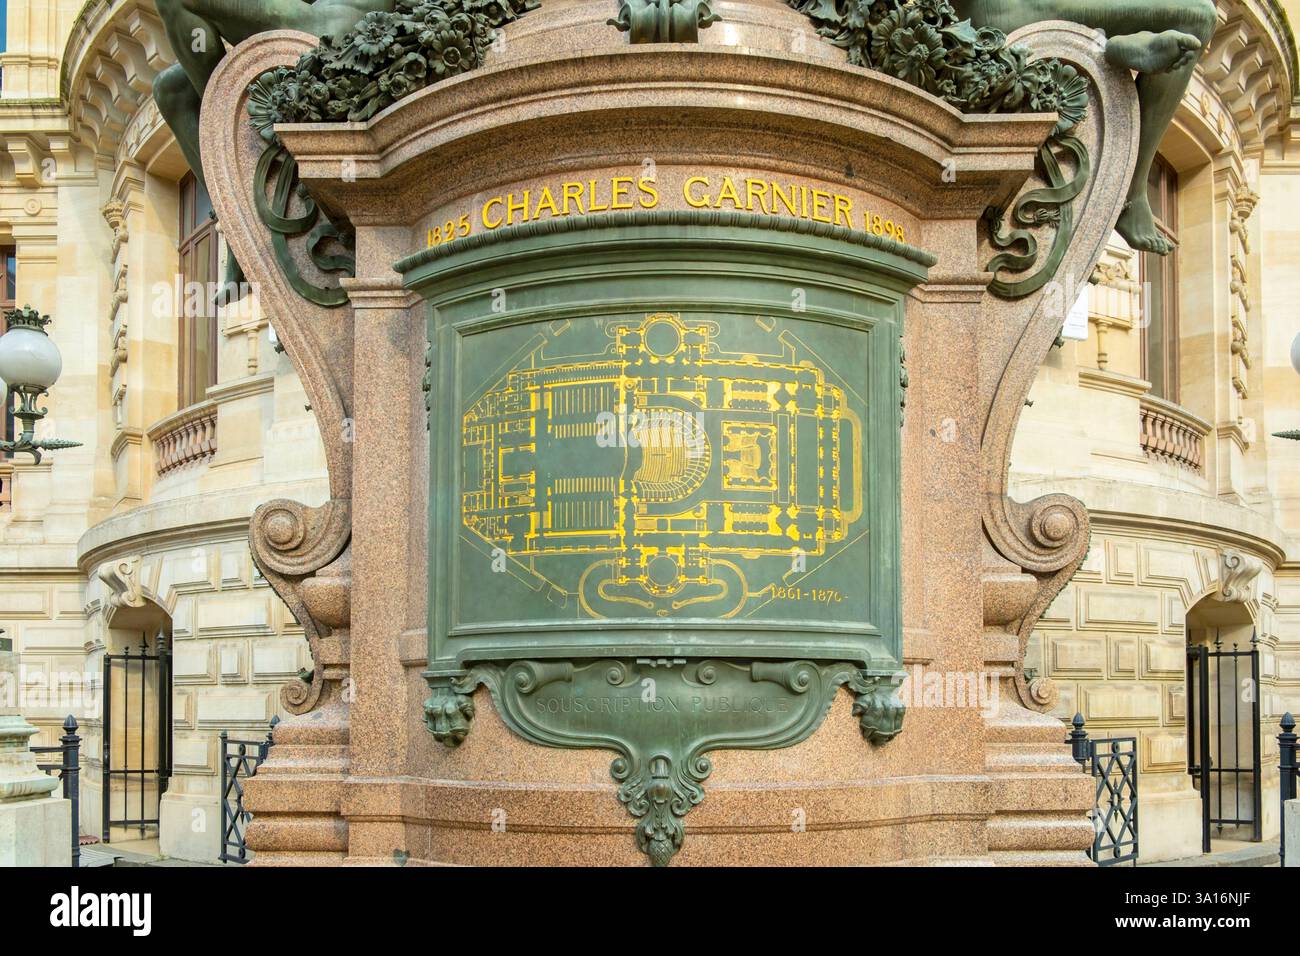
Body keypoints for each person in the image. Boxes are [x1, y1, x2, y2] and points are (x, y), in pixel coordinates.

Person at [954, 0, 1217, 254]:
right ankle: (1132, 192)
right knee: (1195, 15)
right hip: (1004, 12)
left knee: (1198, 15)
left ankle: (1108, 45)